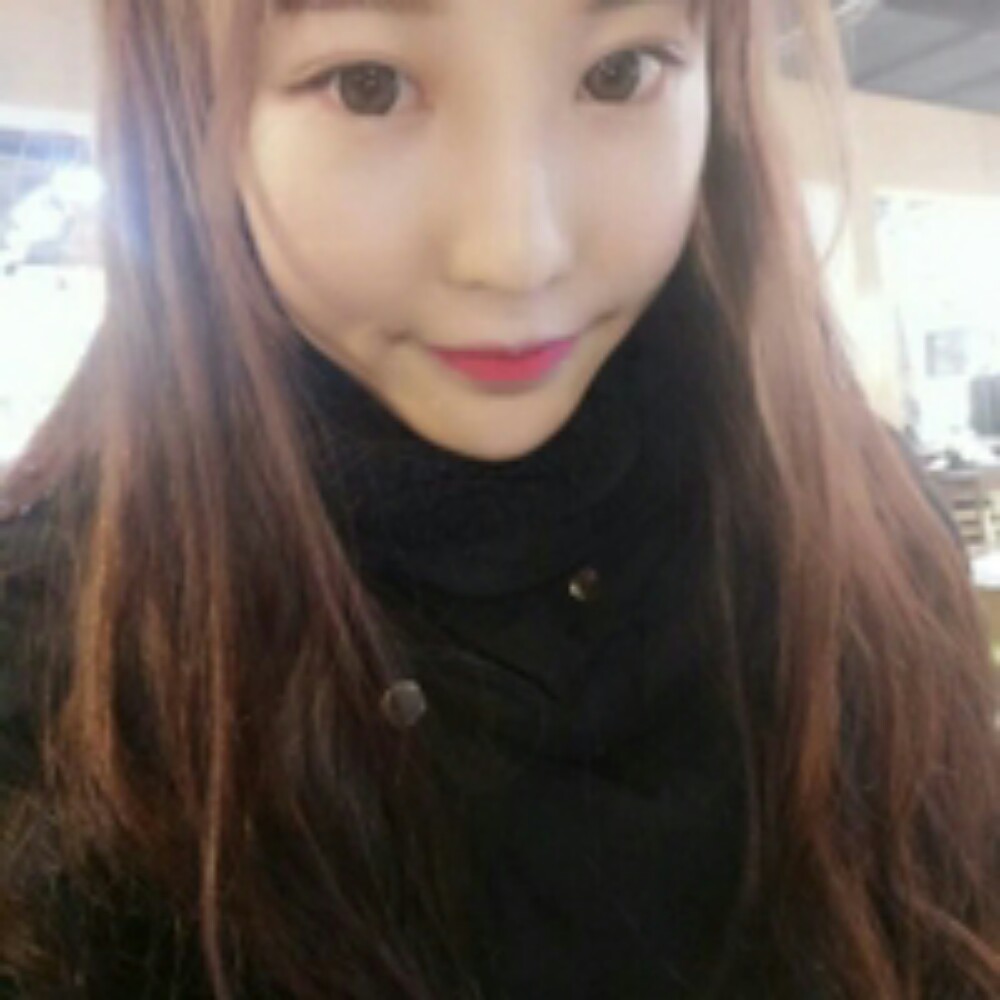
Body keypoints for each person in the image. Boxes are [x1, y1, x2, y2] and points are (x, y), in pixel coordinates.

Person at [0, 0, 996, 996]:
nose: (517, 253)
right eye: (368, 86)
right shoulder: (45, 669)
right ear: (185, 113)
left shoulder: (871, 536)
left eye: (618, 74)